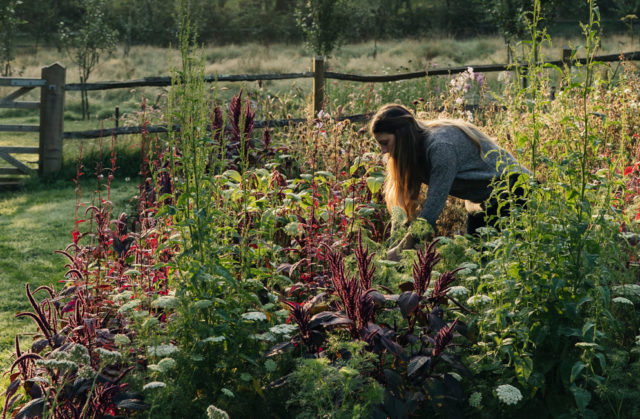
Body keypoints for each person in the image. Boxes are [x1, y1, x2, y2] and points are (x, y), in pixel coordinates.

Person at [369, 104, 531, 258]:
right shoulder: (411, 153)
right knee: (479, 265)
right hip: (480, 203)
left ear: (402, 135)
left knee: (509, 263)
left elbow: (432, 210)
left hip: (515, 193)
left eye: (385, 143)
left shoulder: (440, 147)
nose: (383, 151)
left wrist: (402, 248)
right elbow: (404, 207)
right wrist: (393, 247)